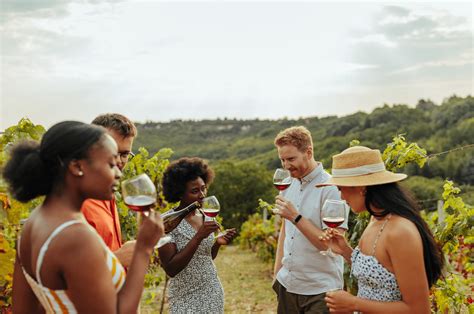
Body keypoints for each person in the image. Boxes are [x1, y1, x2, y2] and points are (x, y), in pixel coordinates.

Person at [5, 121, 164, 313]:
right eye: (111, 164)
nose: (118, 173)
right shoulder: (76, 237)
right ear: (77, 166)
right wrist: (143, 250)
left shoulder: (34, 224)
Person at [318, 146, 444, 313]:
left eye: (341, 189)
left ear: (362, 188)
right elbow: (380, 273)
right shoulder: (376, 218)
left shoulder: (400, 232)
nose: (341, 197)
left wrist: (354, 304)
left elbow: (419, 309)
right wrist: (344, 250)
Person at [272, 126, 348, 314]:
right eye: (282, 160)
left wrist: (296, 217)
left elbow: (331, 245)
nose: (286, 166)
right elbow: (285, 229)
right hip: (287, 285)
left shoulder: (331, 188)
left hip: (320, 291)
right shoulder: (287, 183)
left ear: (309, 152)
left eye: (291, 159)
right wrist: (277, 273)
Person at [158, 157, 237, 314]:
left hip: (211, 290)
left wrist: (216, 243)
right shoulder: (167, 222)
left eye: (203, 188)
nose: (202, 195)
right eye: (195, 191)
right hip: (183, 295)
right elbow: (171, 269)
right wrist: (198, 236)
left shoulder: (206, 215)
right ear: (179, 193)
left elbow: (206, 257)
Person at [81, 113, 137, 267]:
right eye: (111, 152)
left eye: (125, 154)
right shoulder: (76, 202)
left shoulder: (107, 194)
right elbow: (69, 274)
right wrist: (117, 259)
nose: (118, 161)